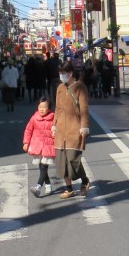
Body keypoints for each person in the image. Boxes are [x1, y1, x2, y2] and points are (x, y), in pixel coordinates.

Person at [52, 60, 91, 198]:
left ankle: (85, 180)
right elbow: (57, 108)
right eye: (60, 73)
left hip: (75, 128)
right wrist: (54, 124)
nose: (62, 76)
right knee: (61, 161)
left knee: (73, 159)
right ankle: (68, 188)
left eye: (64, 73)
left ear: (71, 73)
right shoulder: (60, 88)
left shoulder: (80, 87)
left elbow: (84, 108)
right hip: (61, 129)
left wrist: (84, 126)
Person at [23, 97, 56, 197]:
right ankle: (48, 185)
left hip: (48, 147)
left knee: (43, 167)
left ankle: (38, 187)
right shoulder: (34, 118)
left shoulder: (53, 118)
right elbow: (28, 130)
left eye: (44, 107)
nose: (41, 109)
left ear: (49, 108)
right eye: (40, 107)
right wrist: (26, 142)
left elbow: (58, 131)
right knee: (42, 168)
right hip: (37, 147)